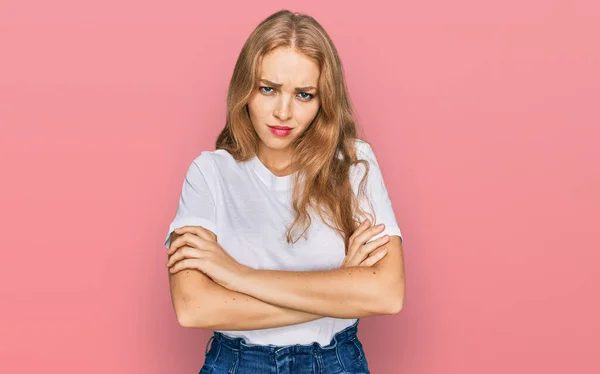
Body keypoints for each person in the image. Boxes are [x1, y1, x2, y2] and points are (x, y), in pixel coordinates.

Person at [163, 9, 405, 374]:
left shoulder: (354, 163)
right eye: (268, 89)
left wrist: (236, 275)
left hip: (335, 362)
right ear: (245, 89)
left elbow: (386, 294)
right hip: (239, 363)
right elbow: (193, 308)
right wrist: (341, 289)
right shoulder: (209, 173)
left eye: (304, 95)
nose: (283, 112)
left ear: (324, 100)